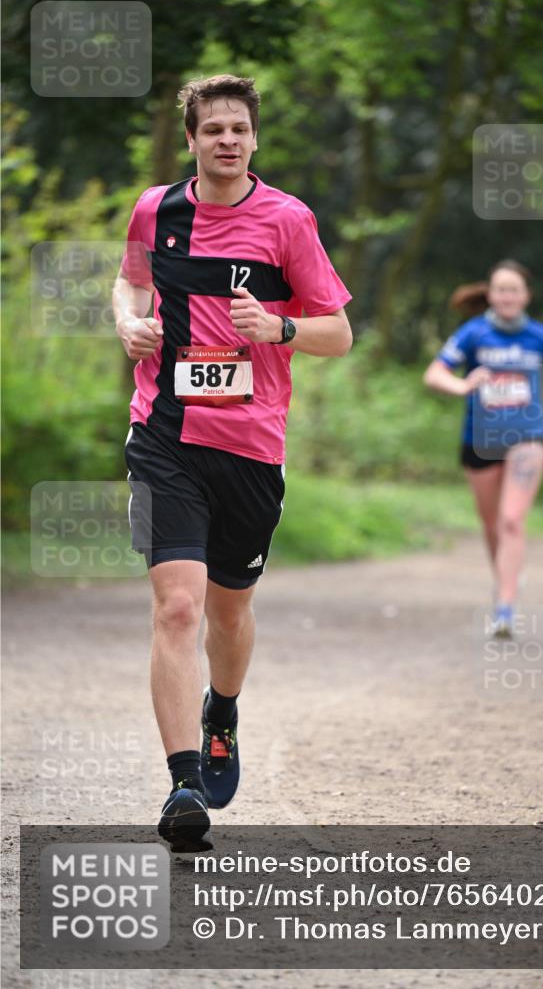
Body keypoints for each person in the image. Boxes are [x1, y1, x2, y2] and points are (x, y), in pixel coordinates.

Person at [112, 74, 352, 850]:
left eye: (238, 130)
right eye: (212, 128)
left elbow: (338, 333)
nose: (226, 140)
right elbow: (129, 280)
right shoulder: (157, 209)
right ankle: (184, 783)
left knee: (228, 610)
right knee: (177, 607)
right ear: (191, 139)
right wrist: (128, 322)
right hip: (164, 435)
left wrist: (276, 328)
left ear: (253, 139)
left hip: (250, 446)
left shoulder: (288, 220)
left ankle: (223, 707)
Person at [423, 260, 543, 638]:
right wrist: (463, 386)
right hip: (481, 440)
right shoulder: (473, 334)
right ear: (490, 294)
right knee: (492, 523)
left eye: (514, 290)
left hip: (528, 436)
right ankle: (506, 581)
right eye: (500, 289)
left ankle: (505, 607)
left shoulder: (540, 336)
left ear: (526, 295)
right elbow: (434, 373)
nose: (507, 296)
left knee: (512, 520)